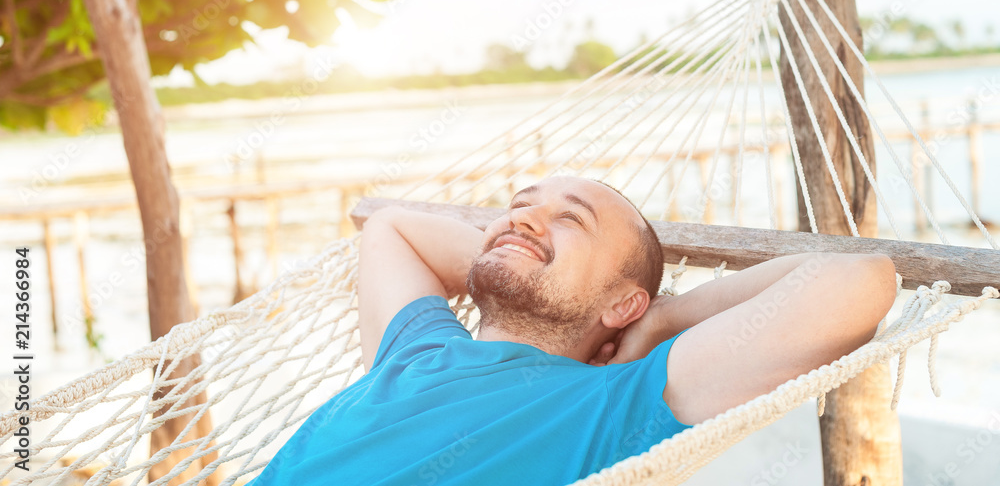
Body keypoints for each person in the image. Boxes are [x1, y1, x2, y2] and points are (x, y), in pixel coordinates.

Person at [251, 175, 896, 485]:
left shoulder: (620, 407)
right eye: (519, 207)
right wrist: (508, 250)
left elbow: (862, 282)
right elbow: (391, 226)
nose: (524, 219)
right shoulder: (415, 345)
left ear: (623, 304)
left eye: (571, 220)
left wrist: (664, 317)